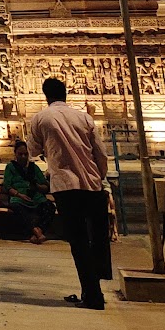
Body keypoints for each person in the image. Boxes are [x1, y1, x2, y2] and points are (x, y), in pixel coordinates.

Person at [27, 78, 113, 310]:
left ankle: (93, 296)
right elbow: (100, 152)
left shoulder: (41, 118)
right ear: (65, 94)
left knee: (79, 242)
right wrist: (100, 176)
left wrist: (50, 151)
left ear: (46, 95)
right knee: (98, 238)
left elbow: (32, 150)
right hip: (92, 184)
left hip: (66, 186)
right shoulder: (84, 117)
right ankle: (94, 289)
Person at [1, 138, 56, 244]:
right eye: (20, 154)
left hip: (35, 198)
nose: (23, 157)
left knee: (50, 207)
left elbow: (46, 186)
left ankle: (37, 232)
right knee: (18, 209)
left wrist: (37, 187)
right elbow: (7, 186)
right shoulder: (10, 167)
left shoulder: (33, 168)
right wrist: (20, 195)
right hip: (19, 199)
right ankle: (37, 232)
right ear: (15, 154)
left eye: (25, 154)